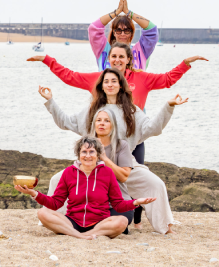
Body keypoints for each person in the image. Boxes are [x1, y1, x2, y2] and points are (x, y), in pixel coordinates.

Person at [38, 68, 188, 234]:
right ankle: (57, 221)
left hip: (123, 163)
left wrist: (168, 107)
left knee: (156, 184)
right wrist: (50, 101)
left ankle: (165, 227)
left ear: (121, 85)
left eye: (114, 81)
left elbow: (152, 128)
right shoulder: (92, 110)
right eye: (106, 81)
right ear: (101, 85)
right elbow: (66, 122)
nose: (110, 84)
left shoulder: (131, 110)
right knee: (56, 179)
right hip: (91, 164)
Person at [27, 42, 207, 164]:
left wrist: (185, 64)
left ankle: (136, 221)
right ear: (109, 58)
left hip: (133, 135)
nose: (117, 60)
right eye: (114, 56)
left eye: (122, 56)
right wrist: (48, 60)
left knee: (134, 178)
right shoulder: (100, 79)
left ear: (129, 59)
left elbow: (167, 79)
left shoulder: (142, 78)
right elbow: (70, 77)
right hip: (102, 138)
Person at [15, 136, 156, 239]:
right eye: (84, 152)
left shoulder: (107, 173)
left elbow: (118, 204)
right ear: (78, 154)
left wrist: (136, 202)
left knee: (122, 221)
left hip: (99, 223)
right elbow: (56, 202)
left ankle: (82, 235)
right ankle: (80, 235)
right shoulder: (68, 172)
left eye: (92, 152)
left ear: (98, 155)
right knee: (42, 213)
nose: (88, 156)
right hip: (73, 222)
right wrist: (34, 193)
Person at [90, 0, 158, 71]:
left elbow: (152, 29)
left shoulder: (141, 50)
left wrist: (128, 13)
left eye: (126, 31)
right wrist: (116, 12)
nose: (122, 34)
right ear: (114, 32)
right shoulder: (103, 49)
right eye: (118, 30)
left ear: (131, 33)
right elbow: (94, 28)